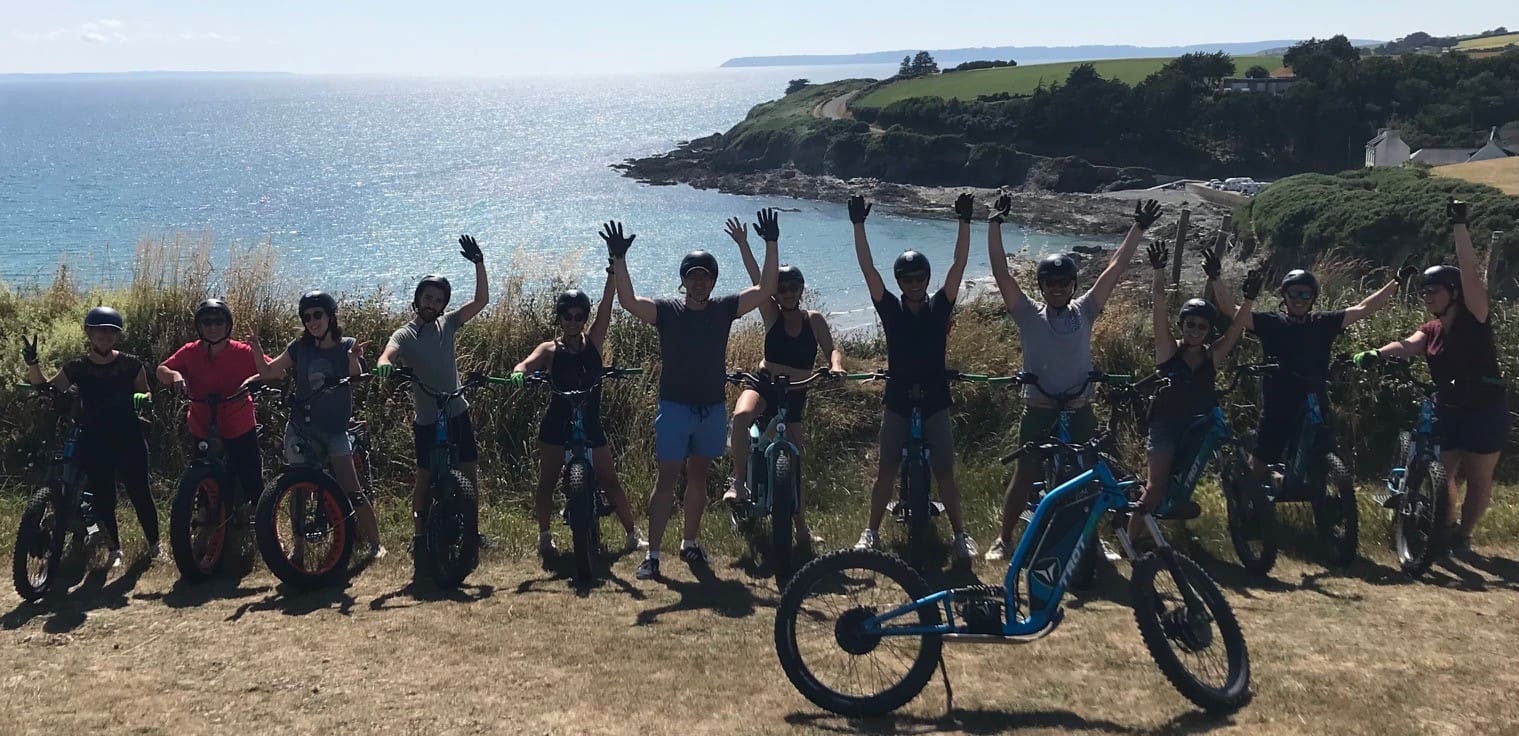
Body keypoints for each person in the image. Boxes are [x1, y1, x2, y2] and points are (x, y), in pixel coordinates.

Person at [985, 196, 1160, 560]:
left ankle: (1092, 542)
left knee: (1091, 475)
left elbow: (1114, 267)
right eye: (1050, 284)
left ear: (1073, 285)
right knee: (1025, 473)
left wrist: (1138, 229)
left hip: (1080, 407)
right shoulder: (1028, 314)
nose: (1058, 289)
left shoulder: (1086, 311)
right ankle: (1004, 539)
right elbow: (1002, 273)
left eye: (1064, 284)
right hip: (1040, 406)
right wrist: (995, 224)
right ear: (1041, 287)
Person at [603, 213, 777, 581]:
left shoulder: (724, 309)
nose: (699, 282)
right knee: (666, 479)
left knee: (697, 476)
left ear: (713, 281)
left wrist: (769, 244)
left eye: (705, 276)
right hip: (675, 407)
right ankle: (652, 555)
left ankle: (690, 542)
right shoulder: (668, 311)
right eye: (692, 276)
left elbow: (765, 289)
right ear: (683, 282)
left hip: (711, 408)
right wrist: (619, 260)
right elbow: (630, 302)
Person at [1353, 198, 1505, 553]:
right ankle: (1442, 527)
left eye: (1432, 290)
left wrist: (1459, 227)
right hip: (1449, 406)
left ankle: (1464, 536)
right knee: (1443, 474)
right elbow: (1407, 345)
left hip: (1484, 406)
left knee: (1480, 479)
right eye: (1422, 292)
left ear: (1453, 293)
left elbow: (1470, 275)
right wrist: (1376, 353)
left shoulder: (1475, 319)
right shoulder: (1431, 328)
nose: (1426, 296)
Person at [1204, 239, 1400, 491]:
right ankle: (1246, 504)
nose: (1299, 299)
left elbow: (1363, 308)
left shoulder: (1323, 323)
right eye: (1293, 294)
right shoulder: (1271, 323)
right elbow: (1232, 311)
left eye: (1305, 294)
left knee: (1322, 457)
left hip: (1314, 402)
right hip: (1278, 403)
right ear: (1284, 297)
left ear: (1313, 298)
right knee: (1261, 462)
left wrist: (1396, 282)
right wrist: (1216, 277)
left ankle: (1317, 500)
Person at [849, 193, 975, 558]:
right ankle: (870, 532)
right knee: (886, 469)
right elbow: (868, 269)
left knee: (945, 472)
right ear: (900, 281)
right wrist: (858, 226)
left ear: (927, 279)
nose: (914, 283)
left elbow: (959, 264)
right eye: (907, 278)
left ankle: (960, 534)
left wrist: (964, 222)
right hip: (899, 395)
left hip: (936, 396)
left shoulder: (939, 306)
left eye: (919, 278)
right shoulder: (889, 309)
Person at [720, 217, 848, 549]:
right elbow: (756, 279)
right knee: (739, 418)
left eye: (794, 287)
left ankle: (801, 529)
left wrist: (835, 367)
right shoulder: (771, 313)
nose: (788, 292)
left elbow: (832, 348)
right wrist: (746, 245)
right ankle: (738, 483)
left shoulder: (813, 320)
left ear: (802, 290)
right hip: (764, 384)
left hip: (796, 393)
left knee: (794, 461)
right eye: (782, 288)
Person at [508, 273, 647, 556]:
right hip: (557, 423)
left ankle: (632, 534)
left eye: (579, 316)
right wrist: (519, 374)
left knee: (610, 480)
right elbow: (526, 363)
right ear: (560, 318)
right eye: (567, 316)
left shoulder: (594, 341)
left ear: (585, 318)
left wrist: (611, 275)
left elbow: (608, 307)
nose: (573, 321)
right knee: (547, 480)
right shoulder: (549, 349)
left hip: (590, 422)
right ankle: (545, 537)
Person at [375, 235, 490, 570]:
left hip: (457, 409)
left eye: (438, 300)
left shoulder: (449, 323)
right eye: (427, 297)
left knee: (468, 472)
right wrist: (385, 365)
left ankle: (472, 530)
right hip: (427, 417)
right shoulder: (406, 333)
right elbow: (389, 352)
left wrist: (479, 263)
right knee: (424, 477)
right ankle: (420, 536)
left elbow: (481, 300)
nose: (432, 303)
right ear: (417, 299)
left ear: (443, 304)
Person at [249, 290, 383, 559]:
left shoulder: (347, 345)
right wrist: (256, 348)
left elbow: (356, 378)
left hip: (335, 429)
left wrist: (354, 359)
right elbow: (268, 372)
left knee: (351, 488)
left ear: (330, 316)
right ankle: (298, 546)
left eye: (317, 315)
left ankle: (374, 544)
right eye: (307, 317)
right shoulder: (299, 348)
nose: (312, 321)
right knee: (297, 489)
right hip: (301, 426)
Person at [1138, 242, 1258, 538]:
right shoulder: (1168, 352)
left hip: (1197, 424)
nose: (1194, 330)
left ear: (1208, 331)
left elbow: (1236, 328)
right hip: (1165, 426)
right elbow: (1158, 304)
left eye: (1202, 327)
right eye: (1189, 325)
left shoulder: (1212, 356)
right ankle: (1132, 541)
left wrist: (1249, 299)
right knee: (1154, 489)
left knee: (1185, 480)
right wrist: (1158, 271)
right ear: (1182, 326)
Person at [23, 307, 157, 568]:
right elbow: (48, 389)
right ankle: (114, 550)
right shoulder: (77, 367)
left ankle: (155, 546)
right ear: (88, 333)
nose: (105, 336)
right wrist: (33, 365)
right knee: (105, 496)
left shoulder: (131, 363)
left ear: (117, 335)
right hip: (94, 438)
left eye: (111, 331)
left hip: (128, 435)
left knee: (140, 492)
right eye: (100, 330)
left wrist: (143, 400)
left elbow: (146, 392)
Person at [157, 299, 268, 526]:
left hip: (239, 423)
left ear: (228, 325)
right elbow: (162, 370)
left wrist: (252, 380)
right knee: (201, 472)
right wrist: (175, 376)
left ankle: (261, 519)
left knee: (251, 475)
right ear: (199, 326)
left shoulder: (242, 352)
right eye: (206, 322)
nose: (213, 327)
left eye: (219, 321)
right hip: (202, 424)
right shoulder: (191, 351)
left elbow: (274, 371)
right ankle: (204, 516)